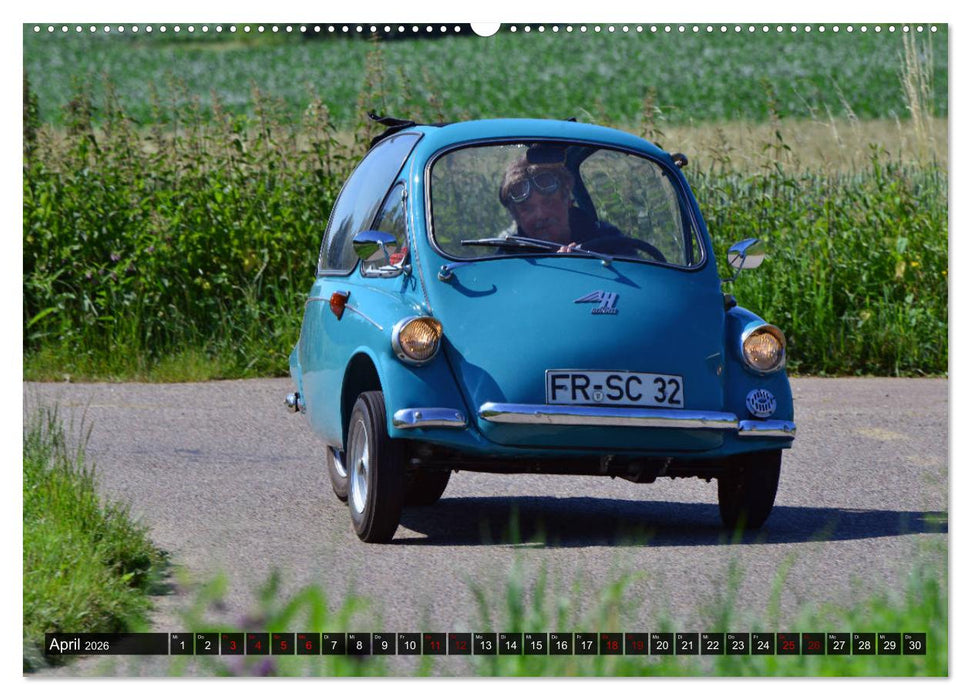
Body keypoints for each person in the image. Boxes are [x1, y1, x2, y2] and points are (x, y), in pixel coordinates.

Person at [498, 155, 626, 253]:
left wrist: (589, 264)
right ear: (516, 217)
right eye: (527, 208)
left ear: (568, 201)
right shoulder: (507, 258)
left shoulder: (607, 240)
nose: (541, 215)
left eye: (548, 202)